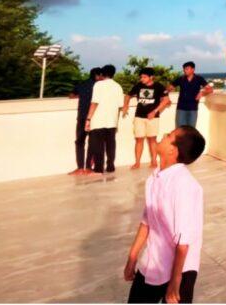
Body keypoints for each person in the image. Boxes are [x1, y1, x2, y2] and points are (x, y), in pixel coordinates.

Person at [123, 126, 206, 304]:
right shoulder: (154, 178)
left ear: (172, 150)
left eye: (169, 136)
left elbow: (183, 242)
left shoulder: (185, 185)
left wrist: (175, 282)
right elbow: (147, 221)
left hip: (180, 269)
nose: (163, 136)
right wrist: (132, 258)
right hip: (153, 262)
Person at [125, 67, 172, 170]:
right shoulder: (138, 86)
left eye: (144, 77)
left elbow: (166, 100)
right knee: (139, 140)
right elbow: (128, 95)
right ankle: (137, 163)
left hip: (153, 118)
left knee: (152, 140)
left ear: (151, 77)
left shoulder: (158, 86)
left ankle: (154, 161)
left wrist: (155, 111)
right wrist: (125, 106)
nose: (142, 79)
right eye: (141, 77)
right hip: (139, 116)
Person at [85, 64, 126, 173]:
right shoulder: (118, 86)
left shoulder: (98, 85)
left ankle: (99, 168)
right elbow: (119, 107)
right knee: (111, 145)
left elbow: (94, 103)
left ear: (102, 74)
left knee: (97, 146)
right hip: (112, 121)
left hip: (98, 121)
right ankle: (110, 166)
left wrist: (88, 119)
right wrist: (116, 123)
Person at [69, 67, 102, 175]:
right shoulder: (100, 87)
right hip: (94, 118)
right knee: (92, 143)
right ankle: (88, 167)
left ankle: (80, 168)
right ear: (97, 76)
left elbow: (71, 95)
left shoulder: (81, 84)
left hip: (82, 117)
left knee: (79, 142)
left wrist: (80, 96)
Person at [169, 61, 213, 129]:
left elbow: (210, 90)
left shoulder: (199, 79)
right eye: (184, 69)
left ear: (193, 69)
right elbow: (170, 87)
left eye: (187, 69)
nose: (185, 70)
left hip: (193, 108)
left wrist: (202, 93)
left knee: (191, 130)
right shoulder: (181, 79)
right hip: (181, 108)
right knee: (180, 130)